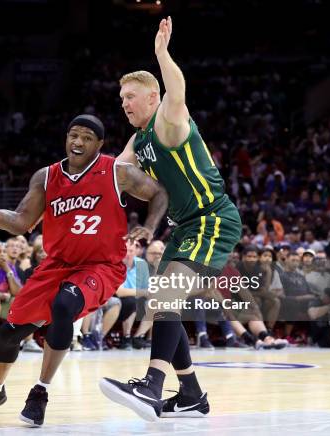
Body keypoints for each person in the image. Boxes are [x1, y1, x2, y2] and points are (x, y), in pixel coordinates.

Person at [0, 114, 167, 426]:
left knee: (65, 305)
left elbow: (159, 193)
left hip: (100, 266)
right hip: (56, 266)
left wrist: (148, 226)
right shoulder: (46, 177)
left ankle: (40, 391)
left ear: (99, 145)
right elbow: (21, 222)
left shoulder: (117, 172)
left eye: (86, 138)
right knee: (8, 336)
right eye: (73, 135)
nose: (78, 142)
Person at [100, 17, 242, 421]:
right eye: (121, 98)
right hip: (185, 226)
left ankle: (151, 387)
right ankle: (193, 393)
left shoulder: (168, 121)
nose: (124, 103)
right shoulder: (137, 140)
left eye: (130, 96)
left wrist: (162, 54)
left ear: (152, 98)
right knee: (166, 305)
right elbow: (108, 175)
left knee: (164, 301)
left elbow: (177, 90)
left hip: (212, 219)